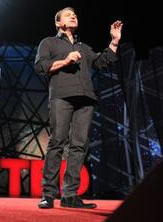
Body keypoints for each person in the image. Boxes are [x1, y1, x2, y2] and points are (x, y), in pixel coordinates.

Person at [34, 7, 122, 209]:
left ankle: (70, 195)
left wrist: (114, 41)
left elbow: (102, 61)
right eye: (67, 15)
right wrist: (65, 60)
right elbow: (40, 66)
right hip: (61, 96)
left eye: (74, 14)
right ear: (58, 23)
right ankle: (48, 194)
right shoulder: (49, 42)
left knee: (80, 145)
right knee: (57, 142)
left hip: (86, 99)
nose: (73, 16)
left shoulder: (83, 47)